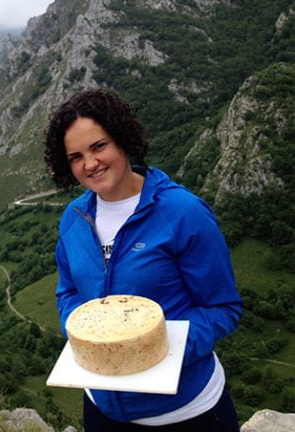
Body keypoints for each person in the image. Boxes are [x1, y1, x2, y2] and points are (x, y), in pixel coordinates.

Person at [43, 88, 243, 431]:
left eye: (98, 146)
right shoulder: (74, 219)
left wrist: (153, 350)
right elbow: (68, 293)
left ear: (122, 140)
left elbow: (223, 308)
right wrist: (86, 340)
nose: (90, 164)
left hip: (187, 413)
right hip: (102, 409)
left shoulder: (183, 213)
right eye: (75, 156)